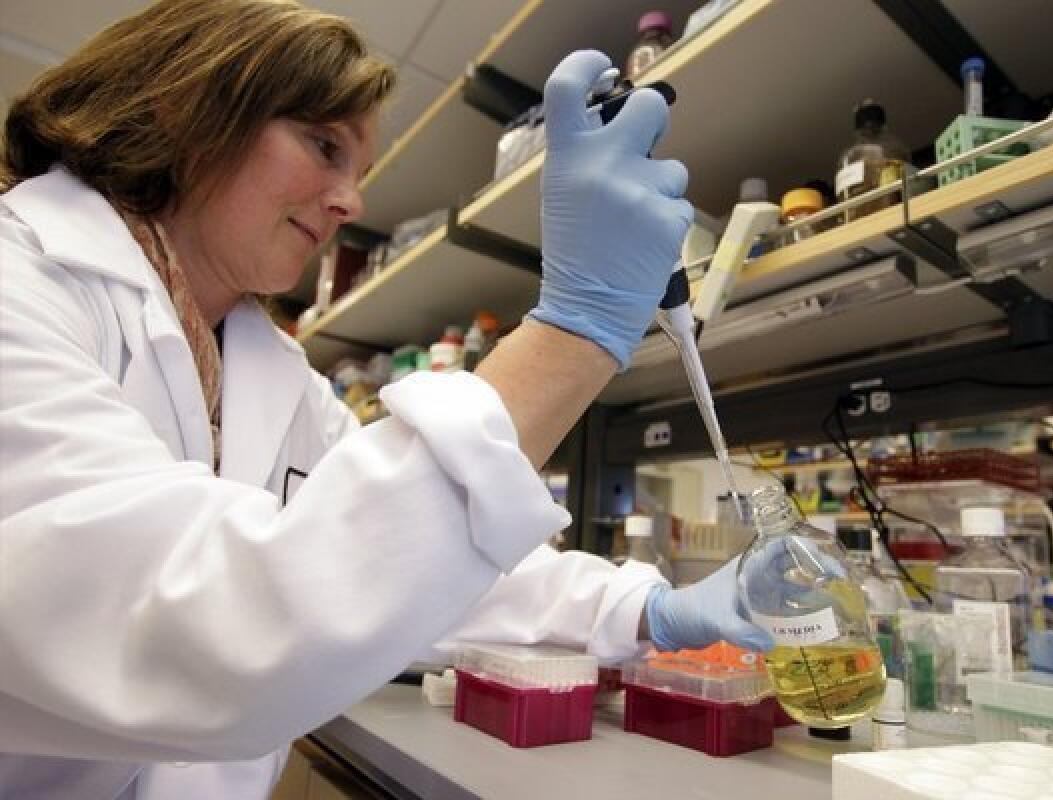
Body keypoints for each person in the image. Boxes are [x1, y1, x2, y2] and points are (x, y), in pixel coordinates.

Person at [0, 2, 772, 798]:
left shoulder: (279, 379)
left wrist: (652, 611)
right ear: (187, 107)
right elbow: (191, 634)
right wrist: (572, 333)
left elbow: (421, 559)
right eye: (323, 144)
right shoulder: (20, 281)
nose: (350, 203)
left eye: (358, 173)